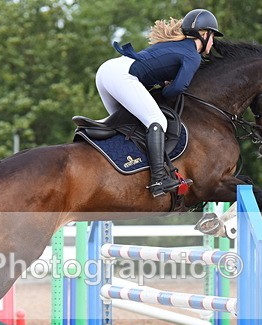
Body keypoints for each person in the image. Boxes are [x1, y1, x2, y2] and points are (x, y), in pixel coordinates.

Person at [95, 9, 223, 197]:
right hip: (122, 76)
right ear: (204, 35)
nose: (213, 43)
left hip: (107, 72)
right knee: (158, 121)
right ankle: (158, 178)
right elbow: (177, 89)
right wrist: (166, 88)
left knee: (126, 124)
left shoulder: (175, 45)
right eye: (213, 37)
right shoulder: (192, 55)